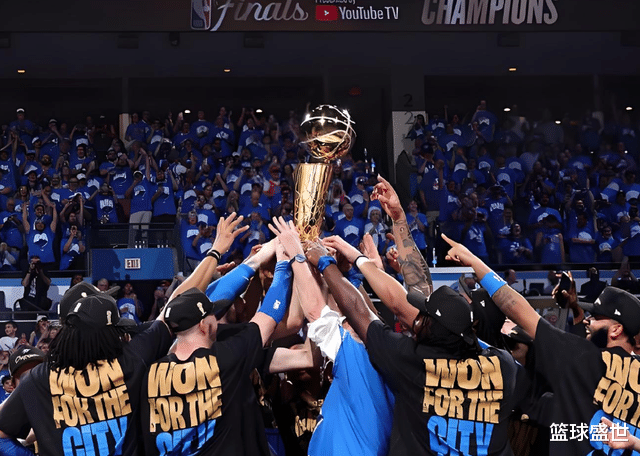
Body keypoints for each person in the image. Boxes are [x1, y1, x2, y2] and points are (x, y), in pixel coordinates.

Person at [303, 241, 526, 455]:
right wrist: (354, 274)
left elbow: (360, 313)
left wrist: (326, 263)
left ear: (430, 327)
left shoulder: (411, 360)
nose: (417, 319)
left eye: (423, 316)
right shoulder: (503, 365)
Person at [441, 233, 640, 456]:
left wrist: (473, 260)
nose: (587, 320)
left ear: (616, 330)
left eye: (595, 318)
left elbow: (513, 304)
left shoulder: (582, 356)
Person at [140, 232, 294, 455]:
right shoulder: (224, 358)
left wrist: (252, 263)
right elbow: (270, 316)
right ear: (204, 325)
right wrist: (283, 265)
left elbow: (175, 307)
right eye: (213, 312)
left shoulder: (150, 370)